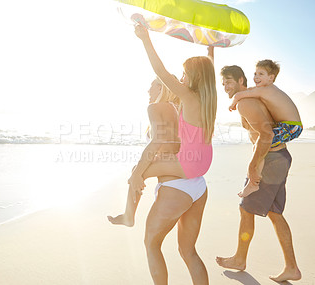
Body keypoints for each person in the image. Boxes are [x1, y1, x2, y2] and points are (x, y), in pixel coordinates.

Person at [115, 24, 216, 285]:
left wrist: (145, 38)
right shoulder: (205, 100)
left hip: (184, 172)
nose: (181, 79)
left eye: (184, 75)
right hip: (199, 176)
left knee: (138, 176)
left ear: (193, 79)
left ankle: (128, 215)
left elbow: (160, 72)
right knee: (188, 251)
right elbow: (207, 76)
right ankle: (128, 213)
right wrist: (210, 53)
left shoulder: (188, 97)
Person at [217, 65, 302, 282]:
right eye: (223, 82)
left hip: (271, 160)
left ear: (241, 81)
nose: (225, 85)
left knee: (246, 208)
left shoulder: (246, 102)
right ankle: (291, 267)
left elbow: (265, 135)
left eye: (229, 81)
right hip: (279, 158)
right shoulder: (248, 99)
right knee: (274, 214)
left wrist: (252, 166)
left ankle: (239, 259)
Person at [107, 78, 181, 227]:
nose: (148, 90)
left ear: (161, 88)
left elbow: (157, 141)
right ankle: (128, 215)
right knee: (136, 170)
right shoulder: (177, 107)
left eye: (151, 86)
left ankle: (128, 216)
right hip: (178, 162)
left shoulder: (155, 108)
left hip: (169, 164)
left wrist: (137, 174)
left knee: (136, 171)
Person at [228, 60, 303, 197]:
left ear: (271, 78)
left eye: (261, 74)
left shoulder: (266, 90)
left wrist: (233, 104)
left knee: (261, 142)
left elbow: (239, 95)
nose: (256, 77)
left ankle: (253, 182)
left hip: (290, 127)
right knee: (261, 144)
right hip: (291, 126)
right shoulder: (267, 90)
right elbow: (250, 91)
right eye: (255, 73)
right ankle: (253, 180)